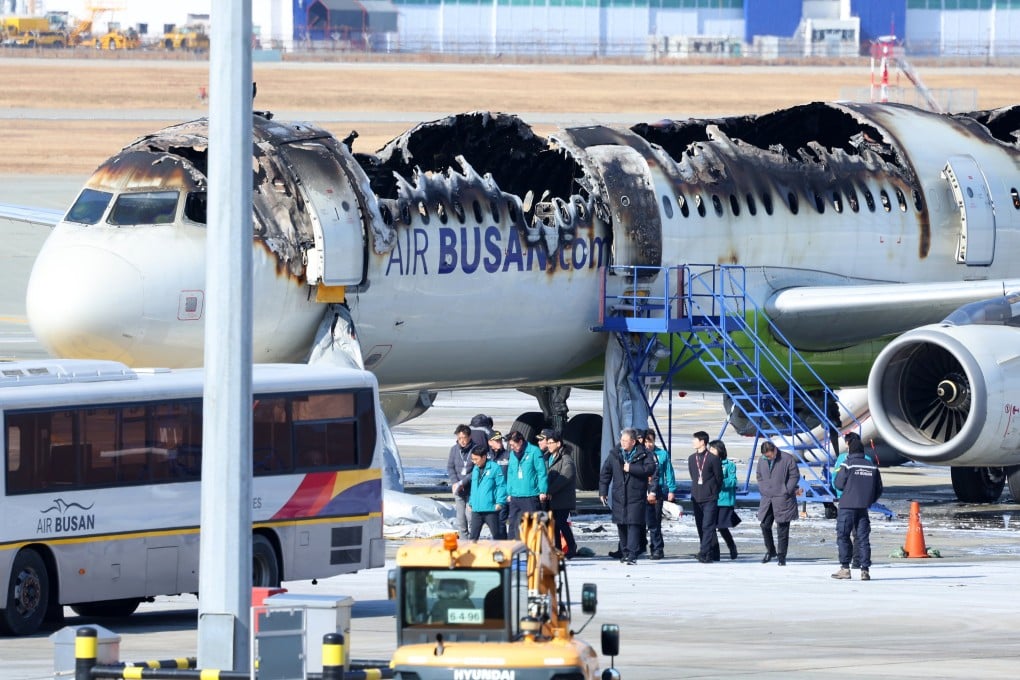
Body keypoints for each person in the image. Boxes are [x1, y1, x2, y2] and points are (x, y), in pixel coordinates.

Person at [599, 428, 657, 565]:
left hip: (635, 494)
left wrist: (631, 468)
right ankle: (624, 552)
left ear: (633, 441)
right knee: (621, 524)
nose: (623, 443)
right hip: (619, 495)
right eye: (622, 440)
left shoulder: (644, 454)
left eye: (626, 440)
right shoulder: (615, 454)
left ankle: (632, 554)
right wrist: (603, 491)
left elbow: (650, 469)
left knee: (633, 524)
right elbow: (605, 472)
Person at [831, 438, 883, 581]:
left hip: (847, 506)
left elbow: (839, 484)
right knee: (863, 538)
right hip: (863, 508)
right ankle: (865, 570)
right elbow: (879, 488)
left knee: (843, 536)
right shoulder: (871, 466)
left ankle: (845, 568)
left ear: (851, 450)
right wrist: (869, 500)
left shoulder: (847, 464)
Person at [756, 440, 800, 566]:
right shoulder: (762, 460)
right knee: (765, 525)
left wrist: (787, 489)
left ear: (775, 450)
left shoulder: (787, 459)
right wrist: (763, 488)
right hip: (767, 498)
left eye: (769, 455)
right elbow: (759, 476)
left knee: (783, 528)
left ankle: (782, 556)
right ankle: (771, 551)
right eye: (766, 456)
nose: (768, 458)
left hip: (783, 498)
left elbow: (794, 475)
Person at [504, 430, 548, 540]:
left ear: (520, 441)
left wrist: (542, 491)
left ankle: (534, 551)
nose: (512, 447)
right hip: (515, 496)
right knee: (513, 525)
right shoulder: (512, 455)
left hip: (530, 495)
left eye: (513, 445)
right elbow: (510, 474)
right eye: (510, 445)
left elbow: (541, 472)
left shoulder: (534, 451)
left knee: (532, 525)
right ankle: (512, 551)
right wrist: (509, 492)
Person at [688, 430, 723, 563]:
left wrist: (713, 491)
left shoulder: (713, 459)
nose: (693, 442)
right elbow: (693, 475)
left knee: (708, 526)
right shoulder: (692, 458)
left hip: (710, 498)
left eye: (695, 439)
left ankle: (704, 552)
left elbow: (718, 478)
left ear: (702, 442)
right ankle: (707, 551)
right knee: (700, 525)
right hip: (697, 497)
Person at [544, 429, 577, 558]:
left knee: (561, 523)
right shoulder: (548, 457)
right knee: (555, 525)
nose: (548, 445)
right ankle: (557, 548)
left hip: (563, 498)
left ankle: (571, 546)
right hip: (553, 498)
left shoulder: (566, 459)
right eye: (548, 442)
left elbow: (565, 476)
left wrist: (549, 490)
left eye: (551, 443)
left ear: (558, 444)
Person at [644, 428, 676, 560]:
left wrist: (671, 489)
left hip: (658, 491)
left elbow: (669, 472)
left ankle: (657, 548)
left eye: (650, 441)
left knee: (655, 522)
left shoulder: (662, 454)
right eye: (646, 442)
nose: (648, 444)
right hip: (641, 491)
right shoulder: (640, 454)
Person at [710, 439, 741, 560]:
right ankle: (714, 551)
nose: (711, 451)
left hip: (724, 500)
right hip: (712, 499)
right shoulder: (709, 463)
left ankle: (731, 546)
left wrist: (719, 481)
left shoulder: (729, 465)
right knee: (710, 526)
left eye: (713, 449)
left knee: (722, 526)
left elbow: (733, 481)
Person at [467, 444, 506, 540]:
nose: (474, 462)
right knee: (473, 537)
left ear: (484, 457)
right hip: (476, 509)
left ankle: (501, 554)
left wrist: (500, 502)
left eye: (476, 459)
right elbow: (474, 488)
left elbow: (501, 486)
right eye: (473, 459)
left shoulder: (495, 468)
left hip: (490, 509)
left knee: (497, 535)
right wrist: (471, 502)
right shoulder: (475, 469)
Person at [447, 424, 476, 539]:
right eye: (459, 438)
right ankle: (464, 542)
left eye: (464, 438)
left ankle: (473, 539)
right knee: (460, 518)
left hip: (471, 489)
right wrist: (455, 482)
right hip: (458, 489)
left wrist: (463, 482)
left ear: (469, 437)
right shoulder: (454, 450)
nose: (462, 441)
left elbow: (476, 470)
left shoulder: (475, 449)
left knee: (470, 515)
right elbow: (450, 467)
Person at [488, 429, 510, 539]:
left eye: (500, 440)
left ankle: (504, 546)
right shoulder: (486, 457)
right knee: (493, 523)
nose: (499, 442)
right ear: (490, 442)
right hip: (490, 495)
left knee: (501, 522)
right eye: (496, 440)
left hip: (504, 495)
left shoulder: (508, 456)